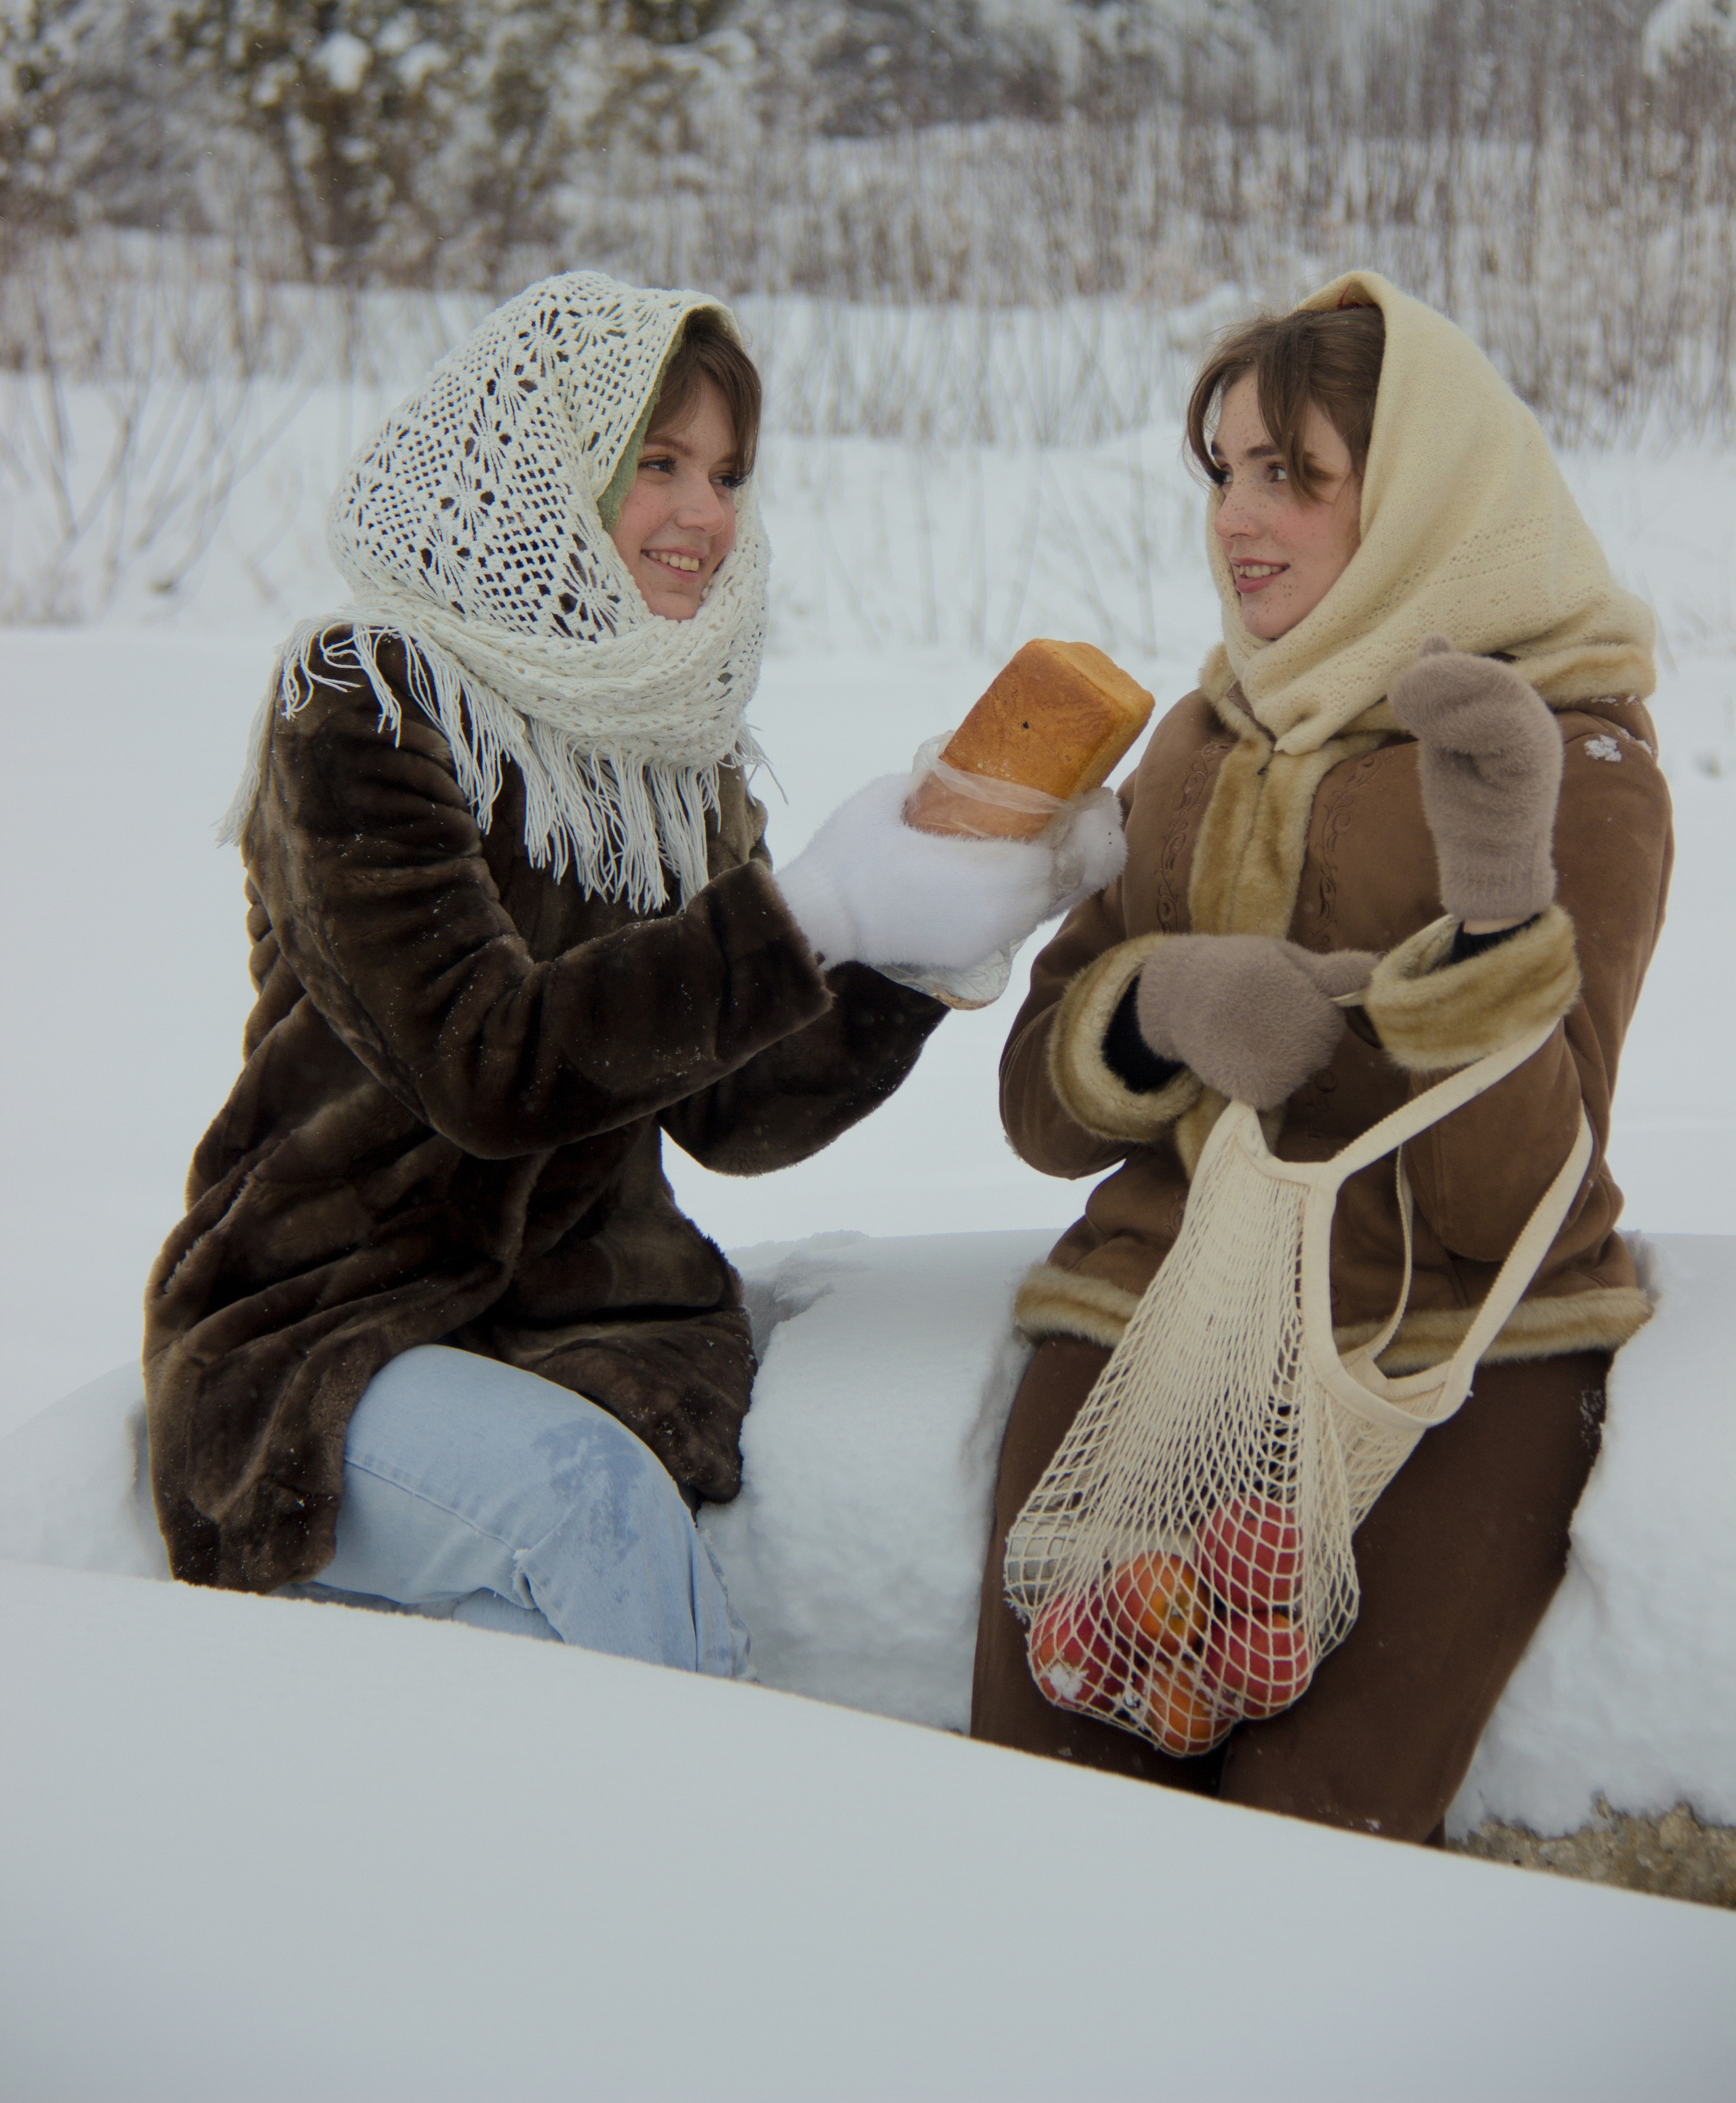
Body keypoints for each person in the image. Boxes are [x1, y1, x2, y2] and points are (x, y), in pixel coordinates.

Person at [144, 271, 1121, 1672]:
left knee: (556, 1624)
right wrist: (816, 911)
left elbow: (739, 1117)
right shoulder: (365, 699)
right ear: (535, 467)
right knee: (584, 1512)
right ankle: (707, 1865)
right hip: (326, 1336)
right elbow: (486, 1063)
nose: (705, 515)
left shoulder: (676, 758)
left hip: (587, 1334)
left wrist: (923, 940)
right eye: (655, 464)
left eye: (726, 472)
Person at [970, 269, 1671, 1842]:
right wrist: (1152, 1007)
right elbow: (1035, 1105)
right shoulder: (1203, 734)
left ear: (1424, 495)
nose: (1238, 519)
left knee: (1309, 1845)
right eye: (1221, 470)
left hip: (1443, 1363)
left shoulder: (1576, 754)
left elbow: (1516, 1202)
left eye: (1295, 475)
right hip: (1146, 1324)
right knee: (1041, 1824)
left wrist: (1494, 902)